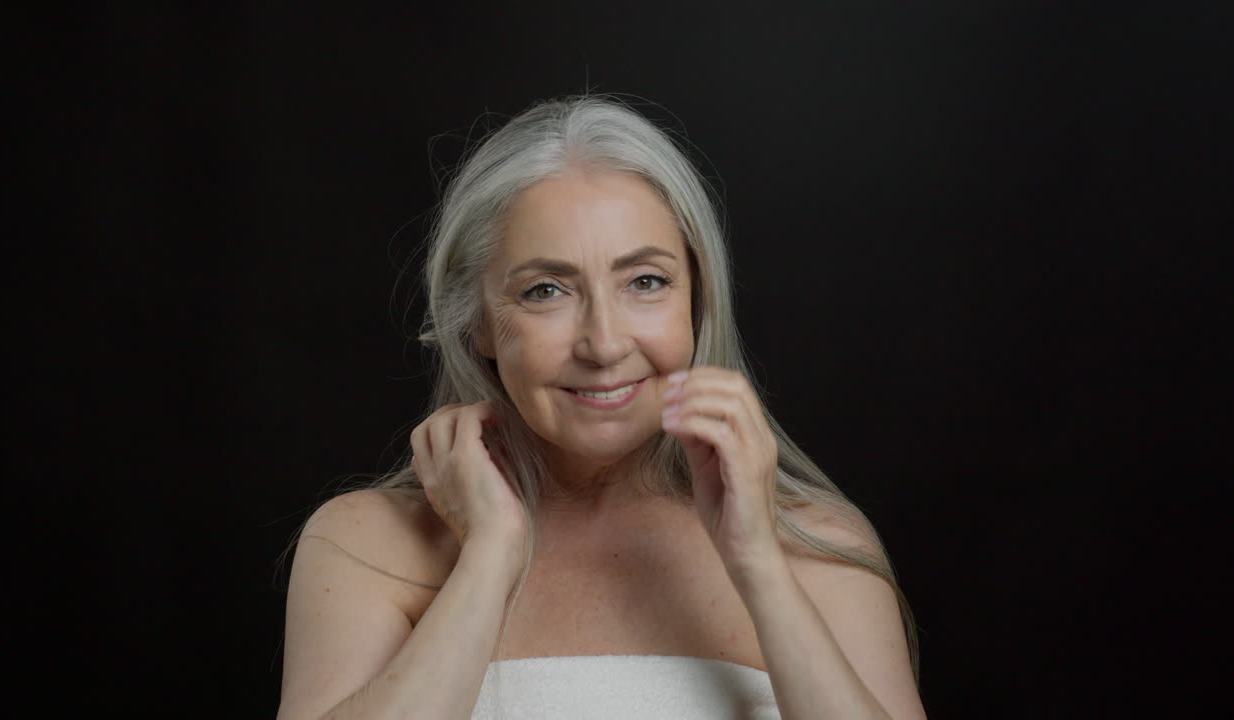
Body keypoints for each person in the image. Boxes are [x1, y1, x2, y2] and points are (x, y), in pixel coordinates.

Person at [276, 93, 926, 720]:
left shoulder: (821, 547)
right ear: (475, 323)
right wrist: (489, 559)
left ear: (696, 305)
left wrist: (757, 563)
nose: (605, 344)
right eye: (546, 290)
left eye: (645, 282)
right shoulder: (365, 545)